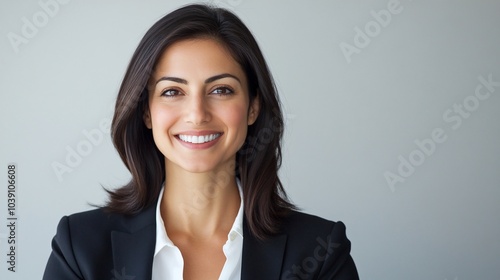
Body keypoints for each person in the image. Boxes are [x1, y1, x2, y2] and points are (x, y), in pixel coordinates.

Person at [43, 4, 359, 280]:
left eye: (221, 90)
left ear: (253, 107)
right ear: (146, 113)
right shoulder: (80, 248)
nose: (197, 114)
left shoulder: (321, 252)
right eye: (172, 92)